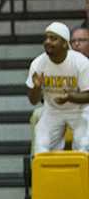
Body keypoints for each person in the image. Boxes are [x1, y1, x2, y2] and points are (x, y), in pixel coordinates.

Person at [26, 22, 89, 154]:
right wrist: (36, 88)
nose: (48, 42)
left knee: (84, 146)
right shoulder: (38, 64)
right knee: (40, 147)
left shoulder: (81, 62)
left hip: (79, 110)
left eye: (53, 38)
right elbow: (33, 100)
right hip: (52, 110)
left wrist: (71, 97)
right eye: (46, 38)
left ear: (65, 44)